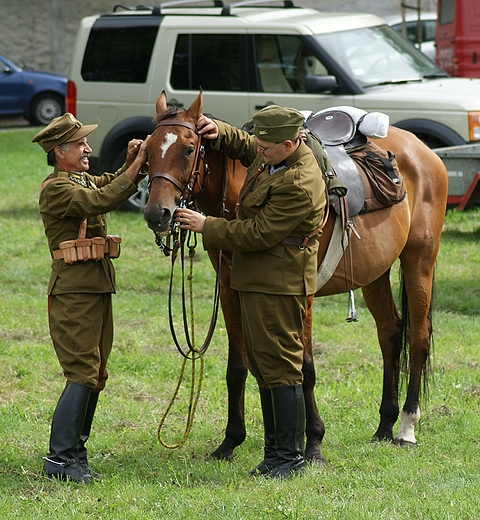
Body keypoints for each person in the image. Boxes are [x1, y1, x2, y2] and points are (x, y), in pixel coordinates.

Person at [176, 105, 326, 479]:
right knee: (262, 363)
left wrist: (205, 225)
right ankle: (275, 453)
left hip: (279, 283)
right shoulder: (276, 157)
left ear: (290, 143)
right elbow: (248, 146)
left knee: (282, 366)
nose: (258, 148)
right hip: (258, 279)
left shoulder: (299, 183)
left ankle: (288, 457)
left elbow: (257, 233)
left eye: (266, 143)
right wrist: (220, 131)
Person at [32, 113, 149, 483]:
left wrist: (132, 164)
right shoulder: (57, 188)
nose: (87, 148)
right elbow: (101, 199)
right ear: (59, 151)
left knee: (95, 373)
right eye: (80, 144)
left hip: (96, 287)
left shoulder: (79, 178)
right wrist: (136, 169)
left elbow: (108, 183)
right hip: (73, 293)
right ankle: (60, 460)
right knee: (81, 373)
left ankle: (76, 455)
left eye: (85, 142)